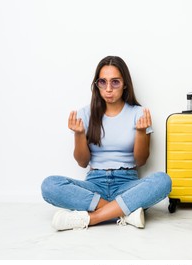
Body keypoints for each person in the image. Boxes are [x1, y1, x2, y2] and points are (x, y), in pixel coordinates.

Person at [41, 56, 172, 231]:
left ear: (125, 84)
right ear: (97, 84)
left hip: (127, 185)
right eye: (103, 82)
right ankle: (124, 213)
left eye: (115, 82)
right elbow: (82, 162)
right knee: (49, 185)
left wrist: (141, 132)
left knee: (163, 181)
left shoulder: (138, 113)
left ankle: (92, 218)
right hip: (95, 185)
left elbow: (141, 161)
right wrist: (79, 134)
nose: (108, 89)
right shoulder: (85, 114)